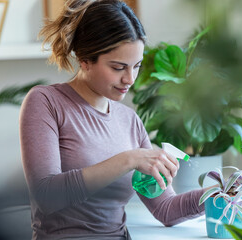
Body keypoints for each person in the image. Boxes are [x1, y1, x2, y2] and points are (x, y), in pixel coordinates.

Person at [19, 0, 210, 239]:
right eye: (119, 67)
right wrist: (129, 159)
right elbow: (47, 196)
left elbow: (166, 209)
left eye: (136, 66)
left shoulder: (129, 121)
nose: (130, 79)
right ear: (85, 59)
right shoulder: (46, 102)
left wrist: (218, 193)